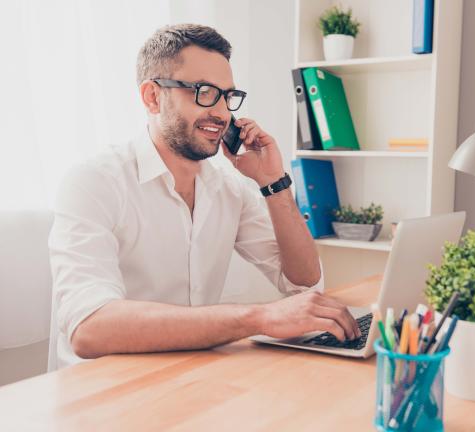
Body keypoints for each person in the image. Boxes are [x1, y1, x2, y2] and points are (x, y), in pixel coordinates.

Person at [48, 23, 360, 369]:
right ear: (152, 97)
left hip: (189, 376)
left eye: (227, 96)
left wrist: (273, 182)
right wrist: (257, 318)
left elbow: (305, 284)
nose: (223, 113)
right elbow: (89, 328)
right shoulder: (93, 182)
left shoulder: (230, 190)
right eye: (204, 91)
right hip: (102, 394)